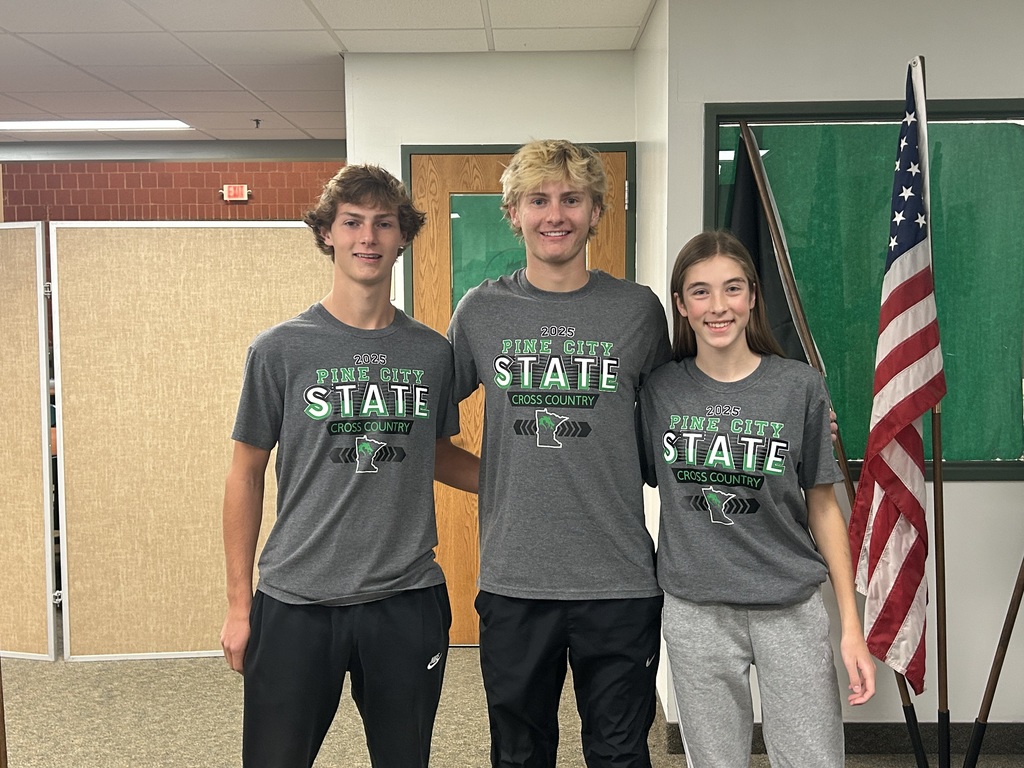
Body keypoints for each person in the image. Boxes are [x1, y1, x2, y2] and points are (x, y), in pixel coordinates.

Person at [219, 164, 477, 768]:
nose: (368, 237)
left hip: (405, 599)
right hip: (296, 601)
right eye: (352, 223)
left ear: (402, 238)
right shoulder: (279, 349)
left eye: (383, 224)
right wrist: (238, 605)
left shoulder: (430, 352)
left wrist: (515, 481)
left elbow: (431, 451)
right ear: (327, 234)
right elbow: (246, 473)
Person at [447, 139, 672, 767]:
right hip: (516, 580)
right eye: (538, 200)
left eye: (571, 199)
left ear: (597, 211)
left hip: (620, 580)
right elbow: (427, 437)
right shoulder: (482, 311)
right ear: (513, 213)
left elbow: (671, 429)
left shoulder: (639, 312)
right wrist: (499, 478)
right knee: (520, 755)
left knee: (622, 754)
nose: (555, 214)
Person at [639, 230, 875, 768]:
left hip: (789, 608)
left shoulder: (801, 388)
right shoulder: (659, 392)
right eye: (700, 292)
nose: (718, 307)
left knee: (812, 760)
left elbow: (824, 508)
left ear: (752, 297)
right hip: (696, 610)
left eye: (732, 289)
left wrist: (851, 629)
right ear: (681, 303)